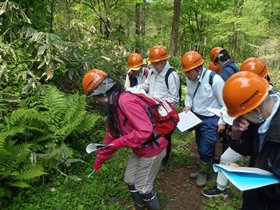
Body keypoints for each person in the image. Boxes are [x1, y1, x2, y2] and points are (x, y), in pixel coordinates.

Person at [82, 69, 167, 210]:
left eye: (95, 97)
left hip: (153, 148)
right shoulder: (113, 105)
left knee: (143, 188)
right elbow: (111, 135)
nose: (96, 102)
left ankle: (150, 204)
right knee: (129, 180)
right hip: (140, 148)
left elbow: (145, 131)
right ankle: (141, 205)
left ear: (101, 92)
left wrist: (120, 142)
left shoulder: (125, 101)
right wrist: (99, 160)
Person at [202, 57, 274, 198]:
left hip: (263, 161)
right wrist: (235, 134)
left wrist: (246, 172)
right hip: (249, 145)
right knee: (225, 158)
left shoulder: (271, 104)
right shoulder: (248, 101)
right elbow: (245, 146)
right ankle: (220, 188)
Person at [222, 71, 280, 210]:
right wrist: (235, 134)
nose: (243, 120)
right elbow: (249, 150)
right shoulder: (262, 118)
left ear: (255, 110)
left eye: (243, 115)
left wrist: (247, 176)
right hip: (255, 198)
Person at [181, 51, 226, 187]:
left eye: (189, 72)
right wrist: (188, 105)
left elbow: (224, 103)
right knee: (200, 143)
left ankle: (203, 173)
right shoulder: (190, 79)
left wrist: (222, 121)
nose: (187, 75)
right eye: (186, 72)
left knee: (206, 146)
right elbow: (189, 94)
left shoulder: (215, 80)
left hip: (211, 118)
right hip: (196, 117)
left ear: (198, 68)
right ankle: (206, 168)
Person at [137, 45, 180, 169]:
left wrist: (158, 103)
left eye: (157, 63)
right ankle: (152, 155)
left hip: (164, 113)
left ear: (164, 60)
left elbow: (174, 99)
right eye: (153, 63)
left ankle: (164, 160)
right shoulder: (152, 72)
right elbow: (146, 85)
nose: (155, 65)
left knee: (165, 136)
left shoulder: (172, 75)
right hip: (151, 111)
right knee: (152, 133)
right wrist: (135, 90)